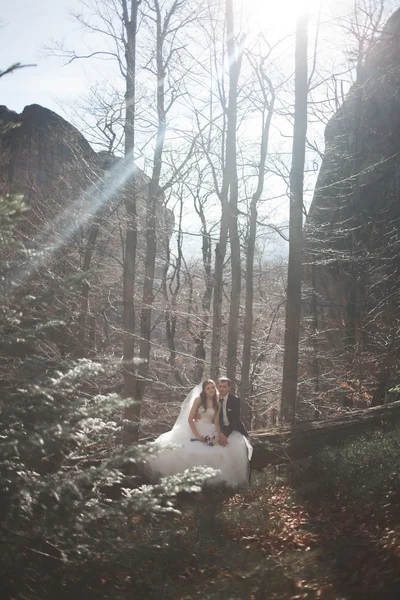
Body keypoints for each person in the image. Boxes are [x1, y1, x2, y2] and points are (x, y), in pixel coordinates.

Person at [144, 379, 252, 487]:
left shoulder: (217, 403)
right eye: (208, 388)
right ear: (204, 390)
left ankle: (215, 484)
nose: (211, 390)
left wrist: (219, 436)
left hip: (211, 429)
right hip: (196, 428)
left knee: (221, 451)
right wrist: (198, 436)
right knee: (190, 451)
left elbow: (216, 423)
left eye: (212, 387)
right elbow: (190, 419)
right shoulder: (199, 400)